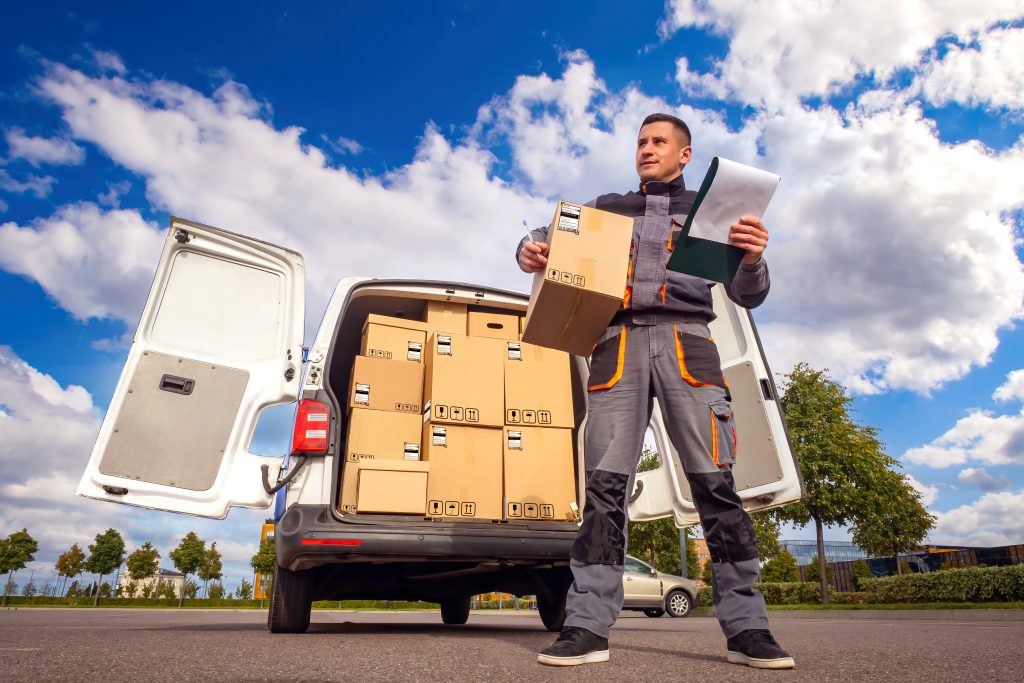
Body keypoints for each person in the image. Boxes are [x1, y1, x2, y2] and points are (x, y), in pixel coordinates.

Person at [516, 113, 794, 670]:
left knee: (716, 488)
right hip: (615, 347)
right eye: (640, 141)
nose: (646, 149)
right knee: (604, 490)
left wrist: (756, 258)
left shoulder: (711, 213)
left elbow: (748, 293)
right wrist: (529, 247)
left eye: (658, 141)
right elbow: (549, 237)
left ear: (684, 154)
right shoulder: (608, 207)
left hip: (689, 345)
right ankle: (587, 627)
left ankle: (748, 629)